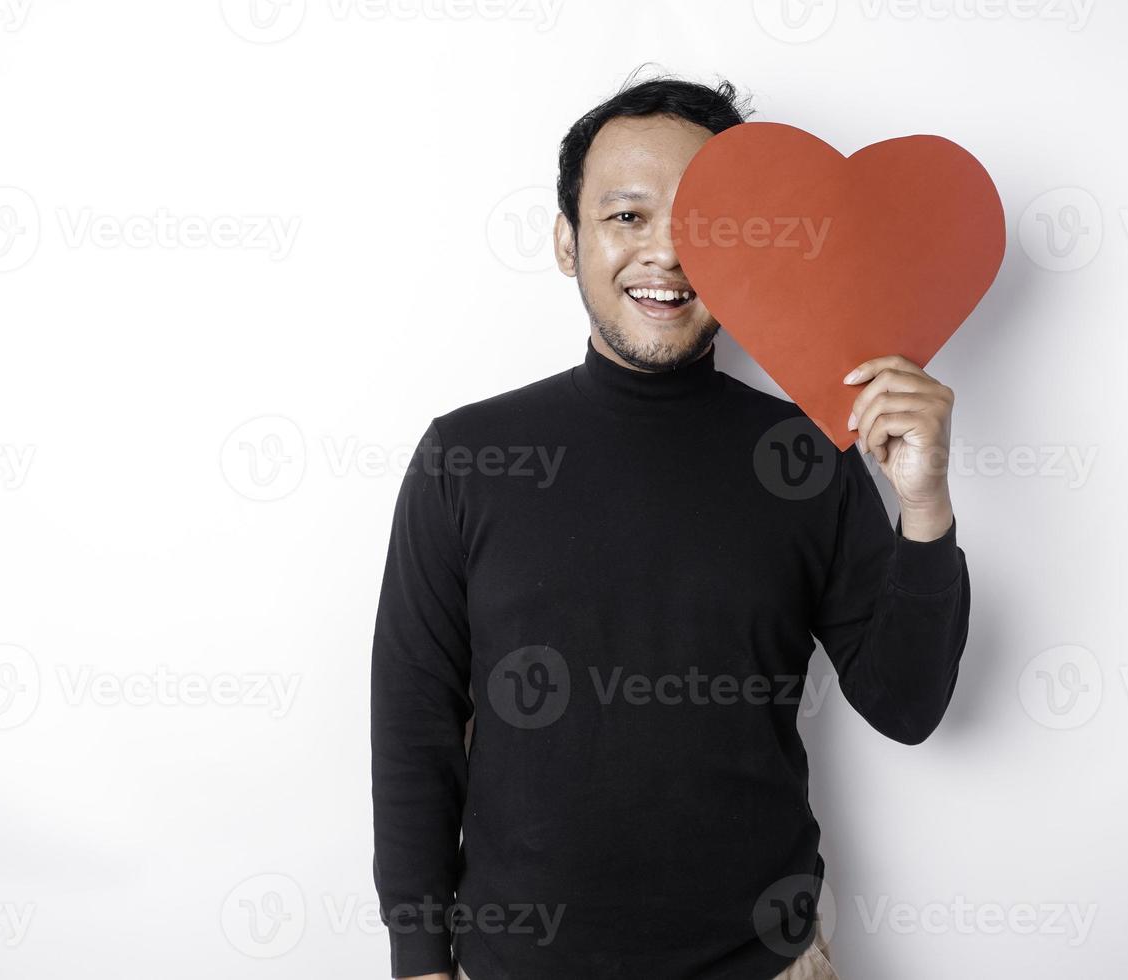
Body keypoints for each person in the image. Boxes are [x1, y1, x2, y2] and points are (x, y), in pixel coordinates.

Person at [370, 67, 970, 980]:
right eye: (626, 217)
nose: (666, 254)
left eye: (703, 226)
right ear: (569, 242)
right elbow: (414, 730)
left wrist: (923, 509)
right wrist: (418, 960)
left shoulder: (807, 458)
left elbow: (908, 706)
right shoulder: (467, 458)